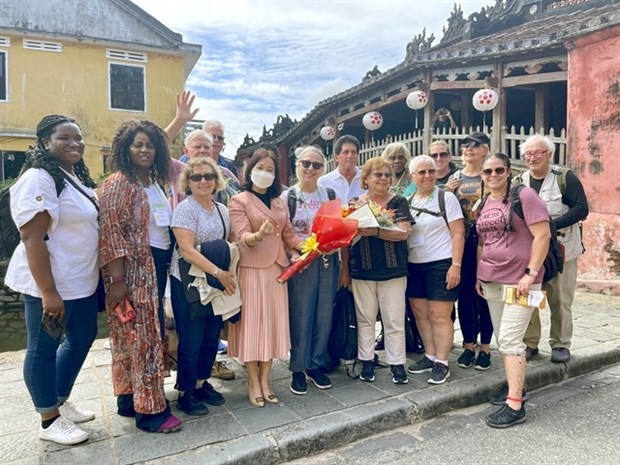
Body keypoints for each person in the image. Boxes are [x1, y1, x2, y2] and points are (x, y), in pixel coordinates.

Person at [5, 115, 99, 445]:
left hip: (81, 281)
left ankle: (58, 398)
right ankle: (48, 420)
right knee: (43, 348)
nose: (75, 142)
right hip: (50, 283)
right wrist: (48, 292)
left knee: (83, 336)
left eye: (78, 137)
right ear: (46, 142)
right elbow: (33, 238)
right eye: (65, 137)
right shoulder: (38, 178)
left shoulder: (73, 176)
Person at [99, 119, 181, 433]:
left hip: (154, 264)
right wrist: (117, 281)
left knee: (131, 337)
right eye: (138, 144)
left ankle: (129, 398)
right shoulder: (120, 182)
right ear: (125, 148)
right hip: (133, 269)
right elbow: (110, 232)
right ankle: (151, 413)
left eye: (150, 145)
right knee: (143, 338)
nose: (144, 149)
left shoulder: (152, 181)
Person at [475, 152, 551, 428]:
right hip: (492, 279)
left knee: (509, 340)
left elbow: (543, 235)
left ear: (508, 171)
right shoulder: (484, 202)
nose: (493, 175)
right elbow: (483, 243)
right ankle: (515, 386)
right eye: (487, 172)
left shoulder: (525, 196)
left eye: (498, 170)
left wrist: (531, 273)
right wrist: (479, 275)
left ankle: (515, 404)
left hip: (521, 280)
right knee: (504, 339)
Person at [228, 143, 304, 407]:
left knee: (271, 325)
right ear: (250, 171)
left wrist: (310, 245)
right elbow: (242, 237)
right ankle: (251, 379)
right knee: (252, 326)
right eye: (260, 168)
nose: (264, 173)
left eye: (270, 169)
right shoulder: (239, 200)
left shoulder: (279, 202)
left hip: (276, 271)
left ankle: (266, 379)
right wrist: (258, 235)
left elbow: (288, 234)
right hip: (250, 271)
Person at [169, 157, 234, 415]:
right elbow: (186, 250)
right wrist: (218, 272)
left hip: (213, 283)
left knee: (211, 335)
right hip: (189, 282)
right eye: (196, 177)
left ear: (216, 180)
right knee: (191, 337)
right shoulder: (185, 210)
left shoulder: (222, 210)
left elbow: (227, 241)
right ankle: (186, 390)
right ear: (188, 182)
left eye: (208, 176)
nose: (203, 181)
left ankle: (201, 381)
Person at [340, 157, 413, 384]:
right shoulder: (354, 204)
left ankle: (397, 363)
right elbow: (344, 239)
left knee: (394, 319)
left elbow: (403, 233)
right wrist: (345, 270)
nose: (383, 179)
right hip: (361, 270)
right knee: (365, 319)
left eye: (387, 175)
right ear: (366, 179)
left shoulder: (399, 202)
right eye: (377, 175)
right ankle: (367, 361)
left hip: (393, 271)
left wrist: (376, 231)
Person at [517, 135, 589, 363]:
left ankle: (560, 343)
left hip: (562, 248)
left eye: (538, 152)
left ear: (549, 154)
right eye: (528, 153)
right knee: (530, 296)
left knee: (560, 299)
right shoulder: (520, 181)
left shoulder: (564, 177)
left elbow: (581, 208)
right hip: (532, 251)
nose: (532, 157)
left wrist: (549, 226)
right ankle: (530, 342)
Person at [281, 146, 339, 395]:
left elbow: (338, 226)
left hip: (327, 260)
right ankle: (298, 367)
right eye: (306, 163)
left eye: (316, 165)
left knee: (324, 314)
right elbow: (283, 231)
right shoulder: (287, 197)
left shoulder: (329, 193)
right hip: (301, 260)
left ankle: (316, 364)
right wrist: (296, 250)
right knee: (301, 314)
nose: (311, 169)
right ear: (297, 165)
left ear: (322, 169)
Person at [406, 155, 465, 385]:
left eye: (430, 171)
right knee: (420, 313)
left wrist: (456, 265)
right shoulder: (408, 200)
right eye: (421, 172)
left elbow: (458, 233)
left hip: (441, 262)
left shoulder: (446, 198)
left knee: (440, 315)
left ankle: (442, 361)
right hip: (415, 264)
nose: (427, 176)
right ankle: (430, 355)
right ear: (413, 177)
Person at [447, 131, 494, 371]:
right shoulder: (455, 177)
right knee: (465, 296)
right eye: (465, 145)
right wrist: (447, 192)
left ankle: (485, 347)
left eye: (475, 145)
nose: (469, 149)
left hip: (488, 242)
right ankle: (467, 345)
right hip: (462, 243)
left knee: (485, 293)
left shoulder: (492, 175)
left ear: (485, 149)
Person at [318, 135, 366, 204]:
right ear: (336, 157)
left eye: (353, 152)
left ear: (357, 156)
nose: (350, 156)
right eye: (346, 152)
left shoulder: (367, 179)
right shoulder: (323, 183)